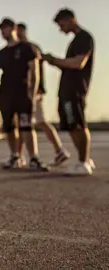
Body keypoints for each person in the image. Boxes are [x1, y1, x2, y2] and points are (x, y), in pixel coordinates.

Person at [0, 17, 48, 170]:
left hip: (23, 92)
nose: (2, 32)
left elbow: (35, 73)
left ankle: (34, 157)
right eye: (0, 29)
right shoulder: (0, 54)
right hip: (6, 94)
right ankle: (15, 155)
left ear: (13, 28)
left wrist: (33, 94)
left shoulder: (28, 48)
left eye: (5, 28)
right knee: (9, 127)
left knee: (26, 125)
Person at [43, 8, 96, 175]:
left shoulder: (84, 38)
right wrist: (54, 62)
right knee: (71, 125)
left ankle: (84, 162)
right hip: (66, 89)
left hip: (75, 89)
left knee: (78, 125)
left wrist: (54, 60)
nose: (61, 29)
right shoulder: (75, 41)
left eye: (61, 25)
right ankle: (84, 159)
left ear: (70, 20)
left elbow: (78, 63)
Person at [16, 22, 71, 166]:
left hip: (33, 92)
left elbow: (35, 73)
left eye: (19, 31)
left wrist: (35, 91)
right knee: (23, 123)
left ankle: (59, 150)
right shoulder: (19, 50)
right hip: (25, 92)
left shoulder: (30, 48)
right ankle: (18, 155)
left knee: (38, 121)